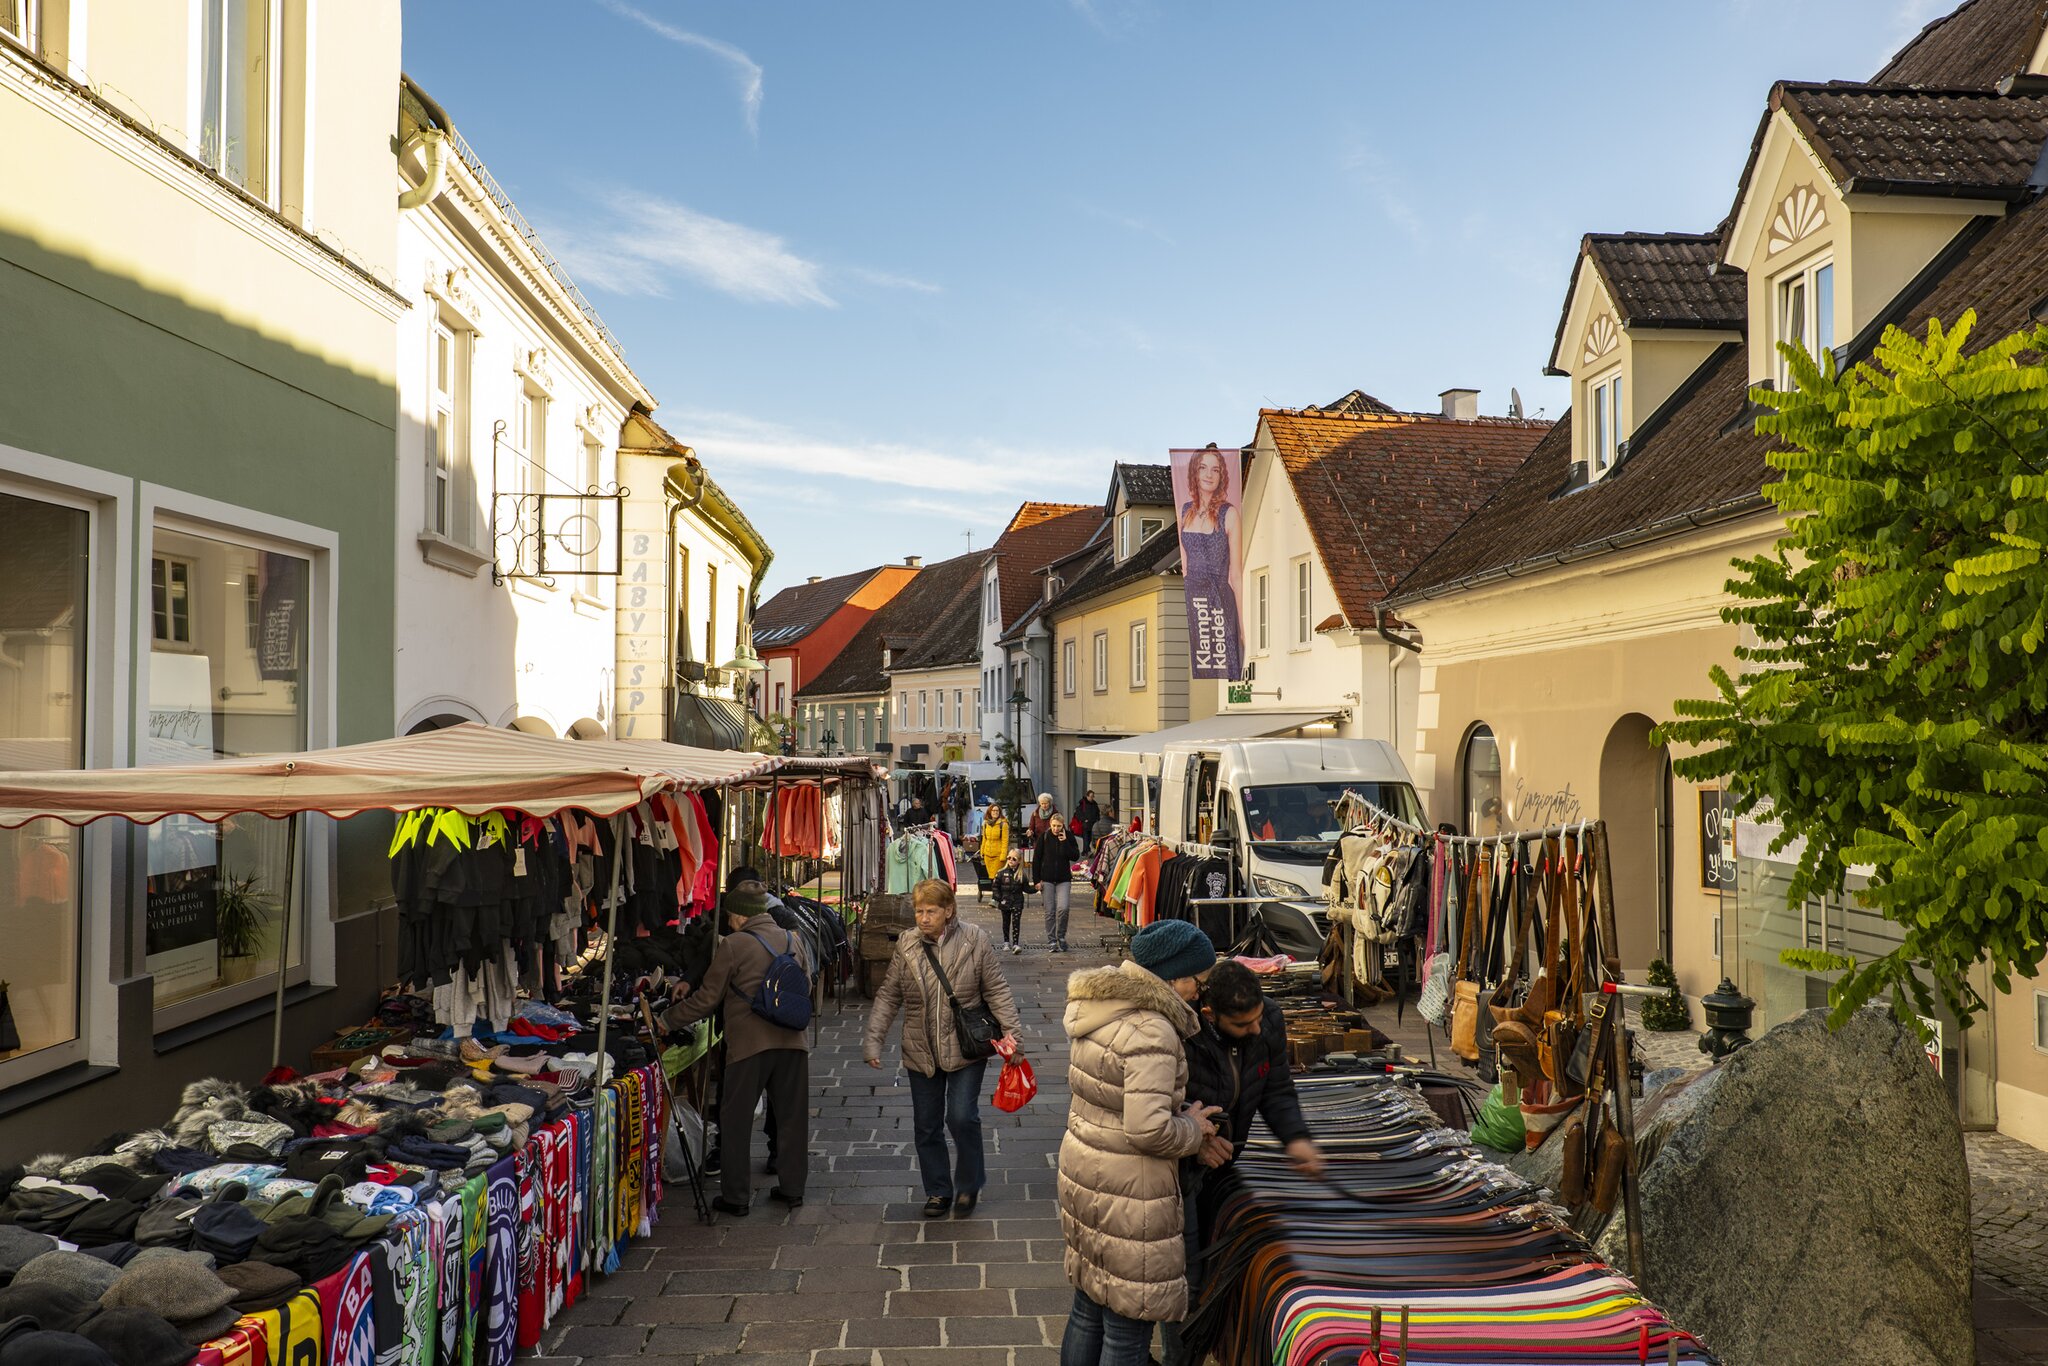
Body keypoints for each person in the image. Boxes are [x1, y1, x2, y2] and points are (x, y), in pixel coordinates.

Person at [1057, 920, 1223, 1366]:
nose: (1199, 993)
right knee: (1127, 1332)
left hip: (1087, 1173)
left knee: (1088, 1311)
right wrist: (1194, 1127)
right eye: (1197, 982)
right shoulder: (1153, 1030)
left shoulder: (1102, 1007)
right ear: (1173, 978)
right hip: (1131, 1194)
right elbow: (1147, 1130)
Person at [1161, 961, 1324, 1366]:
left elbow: (1277, 1089)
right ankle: (1179, 1358)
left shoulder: (1267, 1017)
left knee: (1202, 1274)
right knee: (1184, 1280)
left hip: (1223, 1162)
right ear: (1210, 1015)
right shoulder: (1182, 1032)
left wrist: (1297, 1139)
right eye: (1242, 1024)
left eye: (1257, 1019)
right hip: (1175, 1169)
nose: (1254, 1030)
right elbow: (1158, 1110)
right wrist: (1196, 1143)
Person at [863, 878, 1022, 1219]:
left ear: (949, 910)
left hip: (966, 1046)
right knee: (926, 1124)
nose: (923, 918)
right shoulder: (907, 944)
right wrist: (874, 1038)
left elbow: (996, 990)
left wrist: (1013, 1036)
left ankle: (968, 1185)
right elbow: (890, 994)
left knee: (962, 1116)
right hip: (920, 1048)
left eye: (931, 911)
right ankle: (937, 1190)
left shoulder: (973, 940)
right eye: (919, 911)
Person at [660, 885, 811, 1216]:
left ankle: (736, 1197)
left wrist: (668, 1019)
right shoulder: (792, 939)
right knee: (792, 1119)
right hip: (793, 1042)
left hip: (749, 1046)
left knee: (737, 1121)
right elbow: (806, 985)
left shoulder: (734, 944)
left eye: (729, 914)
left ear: (741, 915)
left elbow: (706, 999)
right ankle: (792, 1189)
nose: (728, 921)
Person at [1178, 447, 1244, 681]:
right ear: (1194, 473)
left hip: (1218, 600)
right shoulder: (1186, 510)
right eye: (1203, 468)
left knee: (1226, 667)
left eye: (1215, 470)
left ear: (1221, 476)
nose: (1209, 475)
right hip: (1193, 599)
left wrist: (1243, 628)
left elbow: (1236, 574)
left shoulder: (1229, 514)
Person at [1032, 813, 1082, 953]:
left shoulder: (1068, 836)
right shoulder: (1045, 836)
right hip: (1047, 879)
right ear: (1050, 824)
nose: (1055, 829)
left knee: (1063, 908)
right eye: (1053, 826)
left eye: (1058, 826)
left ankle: (1061, 936)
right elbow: (1037, 859)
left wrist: (1065, 841)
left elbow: (1075, 856)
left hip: (1063, 879)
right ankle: (1052, 941)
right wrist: (1036, 880)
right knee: (1050, 911)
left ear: (1063, 825)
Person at [992, 850, 1029, 954]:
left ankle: (1016, 943)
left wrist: (1036, 888)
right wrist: (1000, 898)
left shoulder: (1021, 874)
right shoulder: (1001, 873)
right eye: (1009, 858)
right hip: (1005, 902)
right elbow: (995, 888)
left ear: (1019, 861)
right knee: (1006, 922)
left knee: (1016, 922)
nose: (1011, 860)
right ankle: (1006, 941)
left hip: (1017, 902)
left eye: (1014, 859)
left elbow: (1026, 888)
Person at [979, 802, 1011, 884]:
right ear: (990, 812)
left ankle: (998, 895)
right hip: (987, 855)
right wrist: (982, 851)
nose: (995, 812)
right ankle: (995, 894)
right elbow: (984, 839)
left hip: (998, 855)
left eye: (997, 811)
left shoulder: (1003, 825)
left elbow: (1005, 841)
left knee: (997, 877)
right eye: (993, 811)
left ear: (1000, 812)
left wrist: (1003, 855)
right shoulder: (986, 824)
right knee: (990, 877)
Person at [1072, 790, 1102, 855]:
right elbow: (1078, 813)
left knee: (1091, 838)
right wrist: (1084, 819)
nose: (1092, 798)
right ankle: (1086, 851)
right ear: (1087, 796)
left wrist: (1097, 820)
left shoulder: (1094, 804)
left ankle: (1088, 851)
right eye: (1091, 796)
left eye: (1093, 796)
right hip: (1085, 824)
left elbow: (1097, 813)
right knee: (1086, 838)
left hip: (1093, 824)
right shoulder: (1083, 803)